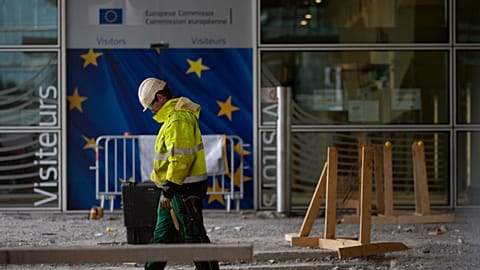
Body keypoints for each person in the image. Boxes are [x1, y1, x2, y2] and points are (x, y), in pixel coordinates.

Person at [138, 77, 220, 270]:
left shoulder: (178, 119)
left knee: (194, 238)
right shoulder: (173, 118)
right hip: (174, 189)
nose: (151, 110)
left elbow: (181, 158)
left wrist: (170, 188)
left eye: (151, 105)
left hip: (181, 189)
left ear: (160, 97)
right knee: (162, 238)